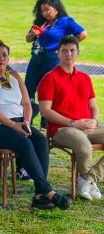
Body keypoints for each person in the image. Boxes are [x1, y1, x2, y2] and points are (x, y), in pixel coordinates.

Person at [0, 39, 69, 210]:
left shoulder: (14, 76)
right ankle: (47, 191)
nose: (1, 58)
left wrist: (26, 122)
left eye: (4, 55)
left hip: (18, 123)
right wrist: (13, 126)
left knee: (41, 141)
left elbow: (27, 103)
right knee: (23, 142)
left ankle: (39, 194)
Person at [38, 35, 103, 201]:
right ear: (58, 53)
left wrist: (94, 120)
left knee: (86, 140)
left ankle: (88, 179)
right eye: (64, 51)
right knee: (84, 146)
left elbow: (94, 107)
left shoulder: (85, 78)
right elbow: (45, 111)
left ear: (78, 53)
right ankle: (87, 181)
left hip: (89, 126)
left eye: (72, 50)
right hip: (63, 129)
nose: (68, 54)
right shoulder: (49, 78)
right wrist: (73, 122)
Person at [24, 0, 87, 109]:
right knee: (29, 87)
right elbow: (28, 39)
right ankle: (28, 120)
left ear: (56, 9)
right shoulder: (41, 22)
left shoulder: (65, 21)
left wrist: (67, 46)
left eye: (48, 10)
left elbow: (83, 34)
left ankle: (45, 123)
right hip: (36, 57)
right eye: (42, 11)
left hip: (52, 58)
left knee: (48, 89)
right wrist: (33, 34)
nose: (45, 13)